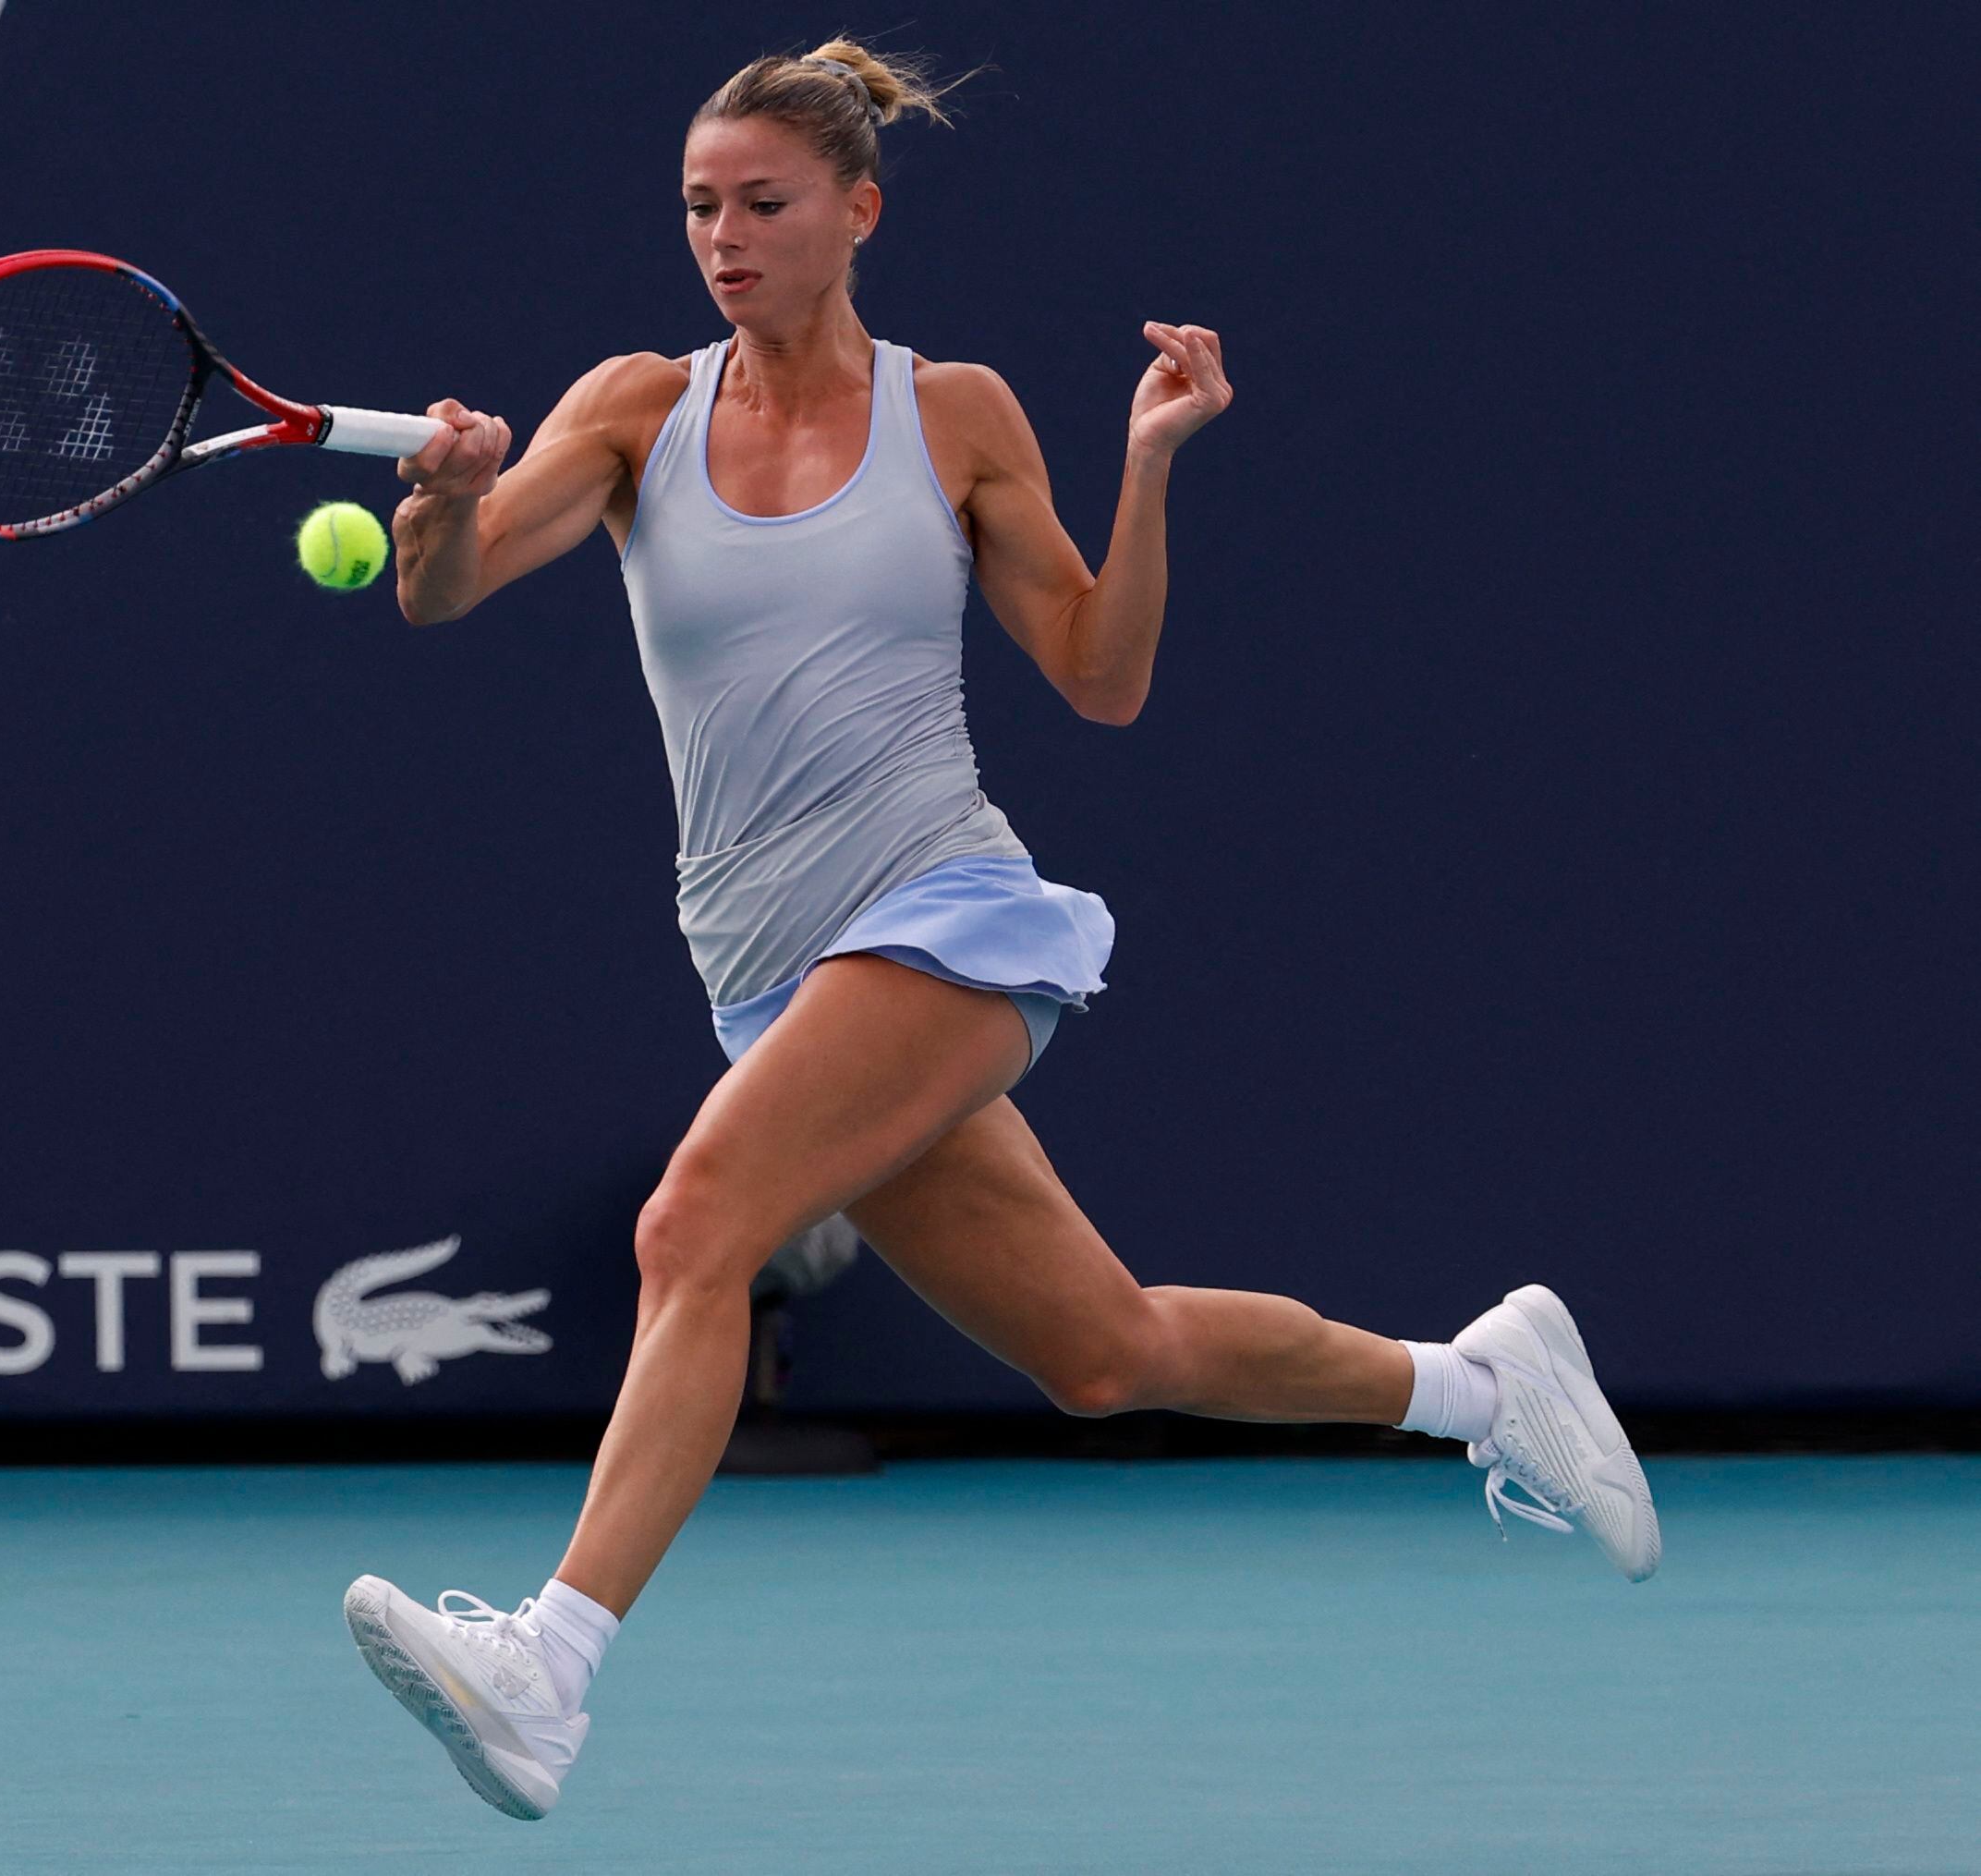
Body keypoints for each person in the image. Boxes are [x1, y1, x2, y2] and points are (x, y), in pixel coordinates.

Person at [341, 39, 1659, 1823]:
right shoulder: (631, 408)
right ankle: (1483, 1385)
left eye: (761, 203)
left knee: (692, 1225)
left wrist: (1149, 462)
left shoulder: (952, 412)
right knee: (1106, 1353)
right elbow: (447, 589)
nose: (721, 237)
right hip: (760, 968)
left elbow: (1101, 679)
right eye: (696, 206)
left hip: (944, 910)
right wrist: (434, 499)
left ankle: (547, 1669)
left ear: (856, 212)